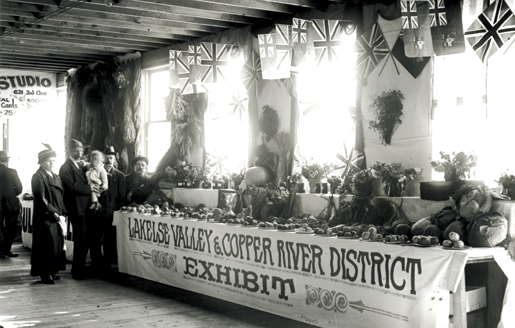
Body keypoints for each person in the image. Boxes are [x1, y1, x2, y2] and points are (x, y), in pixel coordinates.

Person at [59, 139, 99, 280]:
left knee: (86, 238)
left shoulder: (79, 166)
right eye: (76, 150)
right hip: (76, 208)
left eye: (81, 150)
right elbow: (70, 186)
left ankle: (82, 268)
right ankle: (77, 271)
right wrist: (89, 188)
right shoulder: (65, 168)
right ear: (69, 151)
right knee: (80, 239)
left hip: (85, 208)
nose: (80, 153)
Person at [30, 144, 66, 284]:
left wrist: (61, 212)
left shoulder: (55, 176)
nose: (51, 163)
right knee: (45, 245)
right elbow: (40, 198)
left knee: (55, 245)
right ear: (42, 162)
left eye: (53, 160)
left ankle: (52, 270)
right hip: (45, 217)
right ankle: (44, 274)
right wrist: (54, 213)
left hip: (56, 215)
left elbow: (60, 196)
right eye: (48, 160)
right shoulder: (38, 176)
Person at [90, 146, 126, 268]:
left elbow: (122, 196)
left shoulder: (120, 176)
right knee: (95, 238)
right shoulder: (95, 173)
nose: (109, 160)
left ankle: (109, 262)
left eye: (112, 158)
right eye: (107, 158)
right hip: (97, 212)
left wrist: (117, 211)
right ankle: (96, 262)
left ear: (115, 160)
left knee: (110, 239)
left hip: (111, 212)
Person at [0, 150, 23, 258]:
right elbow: (19, 188)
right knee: (11, 228)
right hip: (11, 204)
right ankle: (6, 250)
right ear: (7, 160)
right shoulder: (12, 172)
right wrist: (11, 194)